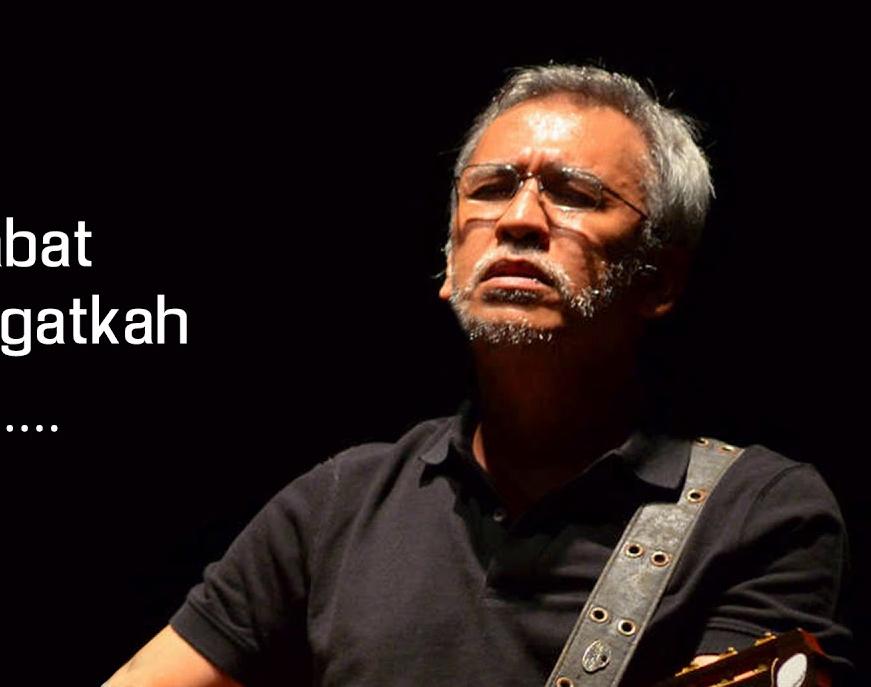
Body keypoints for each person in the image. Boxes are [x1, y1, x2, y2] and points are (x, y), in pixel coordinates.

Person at [105, 65, 854, 686]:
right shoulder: (339, 503)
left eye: (575, 193)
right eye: (491, 188)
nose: (519, 219)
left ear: (659, 281)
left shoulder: (760, 514)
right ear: (449, 262)